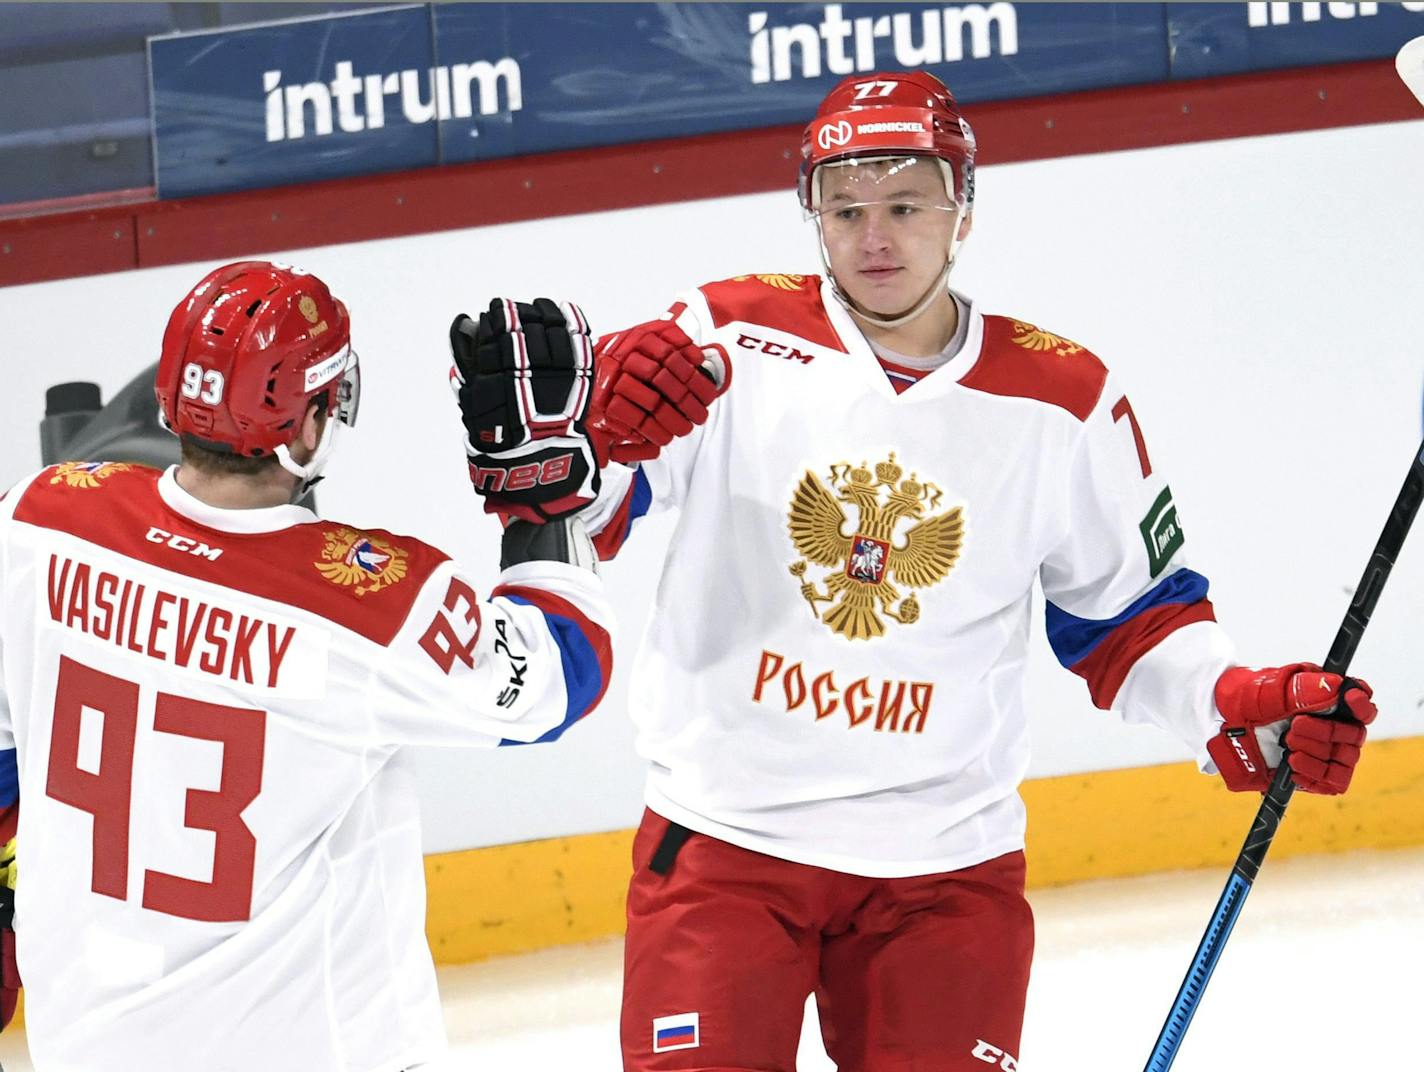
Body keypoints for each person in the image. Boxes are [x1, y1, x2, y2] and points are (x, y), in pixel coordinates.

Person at [465, 71, 1379, 1071]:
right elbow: (599, 512)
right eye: (846, 210)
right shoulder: (722, 339)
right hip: (725, 850)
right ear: (811, 213)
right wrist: (571, 453)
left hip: (943, 876)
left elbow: (1133, 623)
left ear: (962, 209)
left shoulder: (1063, 401)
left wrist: (1233, 706)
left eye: (904, 207)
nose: (874, 238)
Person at [0, 262, 613, 1071]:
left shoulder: (42, 515)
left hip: (88, 1046)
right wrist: (539, 490)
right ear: (307, 426)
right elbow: (562, 677)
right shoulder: (370, 604)